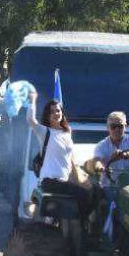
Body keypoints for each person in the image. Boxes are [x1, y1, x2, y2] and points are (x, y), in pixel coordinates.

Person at [25, 91, 97, 228]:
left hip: (64, 181)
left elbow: (70, 160)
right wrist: (32, 100)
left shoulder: (67, 132)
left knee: (94, 192)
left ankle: (83, 227)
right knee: (83, 196)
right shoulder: (44, 132)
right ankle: (80, 226)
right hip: (51, 181)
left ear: (62, 113)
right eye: (52, 112)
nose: (56, 113)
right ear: (48, 115)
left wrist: (80, 179)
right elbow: (30, 120)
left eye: (58, 110)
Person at [87, 111, 129, 200]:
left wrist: (125, 155)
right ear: (108, 128)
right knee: (107, 200)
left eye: (120, 126)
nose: (117, 129)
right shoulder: (101, 146)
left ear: (125, 126)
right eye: (113, 127)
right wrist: (101, 168)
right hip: (111, 186)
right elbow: (97, 161)